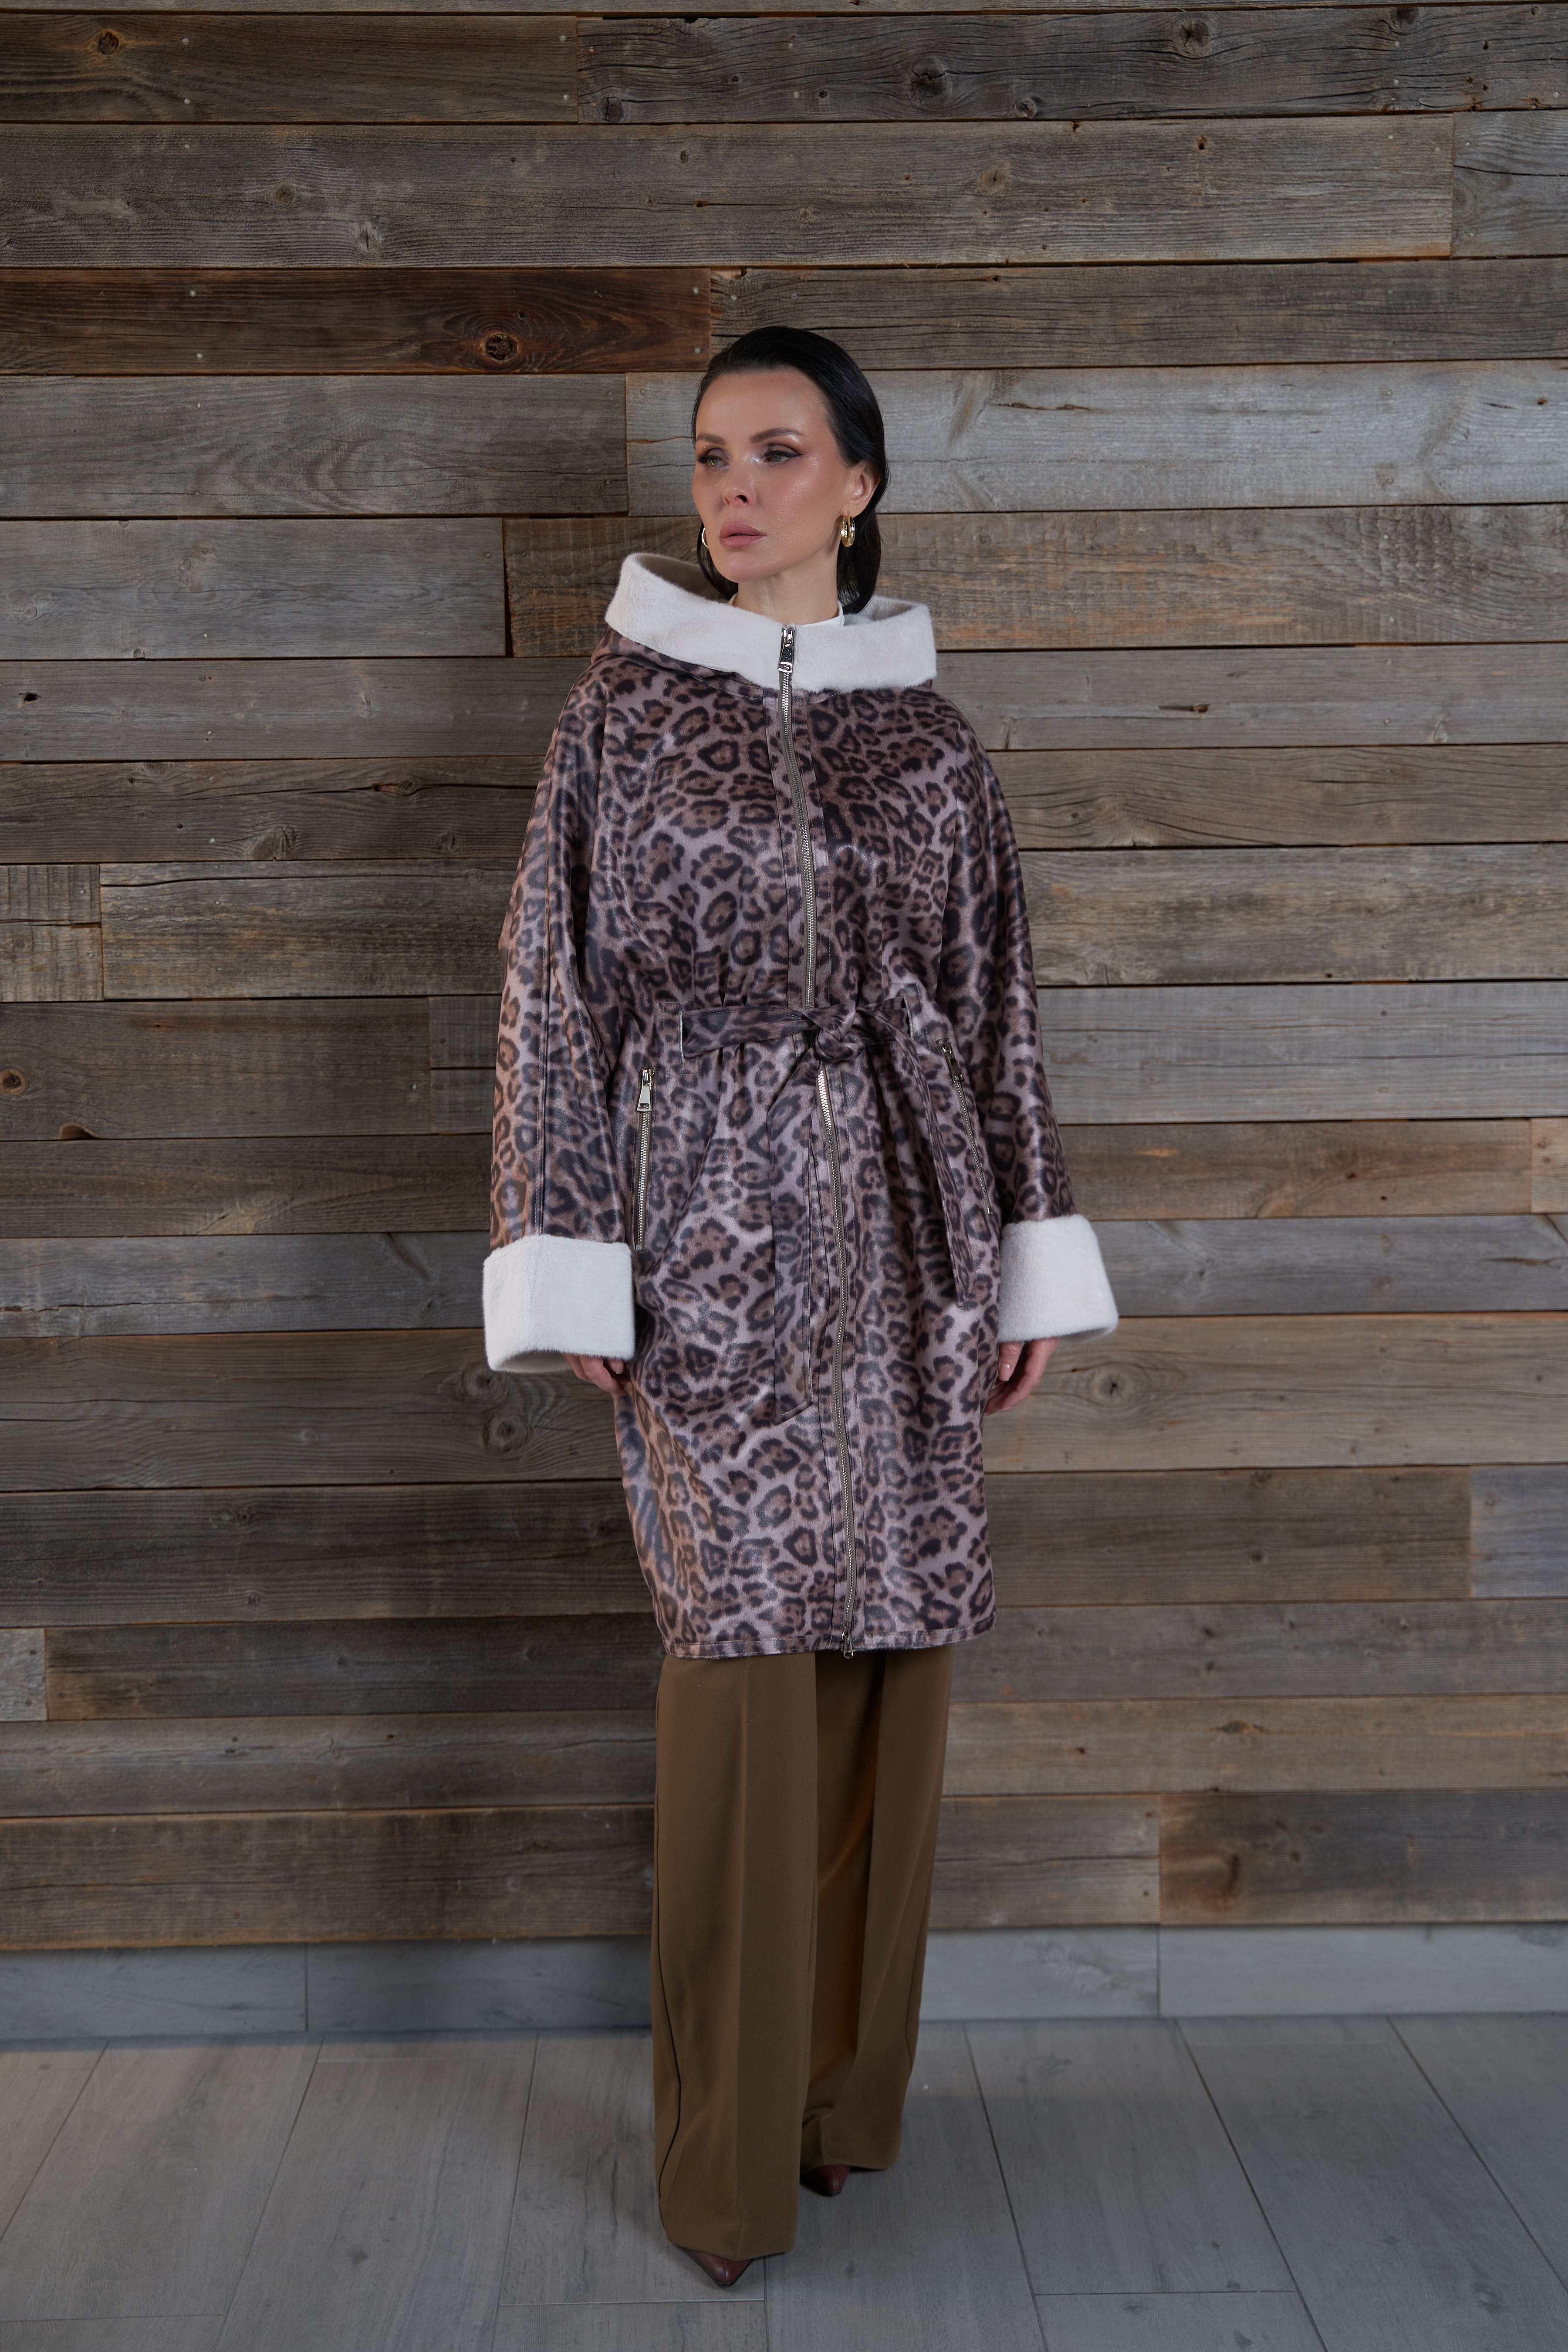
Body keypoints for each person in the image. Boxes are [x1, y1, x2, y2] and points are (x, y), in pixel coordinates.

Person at [483, 325, 1118, 2287]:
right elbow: (551, 995)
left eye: (775, 452)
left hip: (916, 1225)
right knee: (742, 1661)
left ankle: (844, 2108)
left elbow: (998, 1007)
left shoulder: (932, 741)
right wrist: (574, 1250)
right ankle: (727, 2172)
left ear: (859, 484)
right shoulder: (620, 711)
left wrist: (1028, 1248)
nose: (733, 489)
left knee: (891, 1659)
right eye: (709, 456)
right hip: (706, 1227)